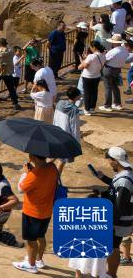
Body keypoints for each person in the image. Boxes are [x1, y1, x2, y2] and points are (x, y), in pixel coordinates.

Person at [88, 146, 133, 278]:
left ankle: (111, 274)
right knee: (113, 246)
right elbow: (116, 188)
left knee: (113, 248)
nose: (108, 161)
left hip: (118, 221)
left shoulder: (124, 180)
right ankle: (110, 274)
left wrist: (112, 222)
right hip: (121, 219)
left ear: (115, 161)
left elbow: (120, 204)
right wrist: (104, 178)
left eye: (109, 159)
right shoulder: (126, 173)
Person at [13, 154, 58, 273]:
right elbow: (48, 164)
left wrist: (26, 173)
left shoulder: (32, 175)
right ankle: (38, 260)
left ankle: (31, 265)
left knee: (31, 240)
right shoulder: (53, 168)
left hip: (32, 212)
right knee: (41, 236)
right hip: (46, 211)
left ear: (33, 157)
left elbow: (21, 188)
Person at [53, 88, 83, 161]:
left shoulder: (60, 103)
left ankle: (45, 169)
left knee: (56, 155)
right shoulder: (74, 110)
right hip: (67, 137)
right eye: (79, 94)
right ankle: (54, 172)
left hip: (57, 132)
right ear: (76, 97)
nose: (81, 95)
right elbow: (74, 127)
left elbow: (55, 117)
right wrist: (76, 143)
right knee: (62, 160)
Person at [102, 36, 130, 110]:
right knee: (115, 86)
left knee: (108, 87)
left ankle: (107, 106)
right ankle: (118, 104)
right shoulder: (125, 51)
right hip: (117, 70)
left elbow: (105, 60)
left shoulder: (113, 51)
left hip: (109, 69)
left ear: (114, 42)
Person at [78, 41, 106, 115]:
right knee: (94, 92)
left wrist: (81, 61)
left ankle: (87, 110)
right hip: (97, 76)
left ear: (94, 47)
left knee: (87, 93)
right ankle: (92, 108)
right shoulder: (103, 55)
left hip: (87, 76)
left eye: (90, 47)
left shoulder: (91, 56)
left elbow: (83, 66)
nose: (90, 48)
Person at [30, 58, 57, 123]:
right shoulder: (48, 68)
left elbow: (36, 85)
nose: (32, 68)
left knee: (40, 118)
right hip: (52, 92)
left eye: (33, 66)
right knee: (51, 111)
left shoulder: (39, 73)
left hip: (43, 97)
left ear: (38, 65)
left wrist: (33, 91)